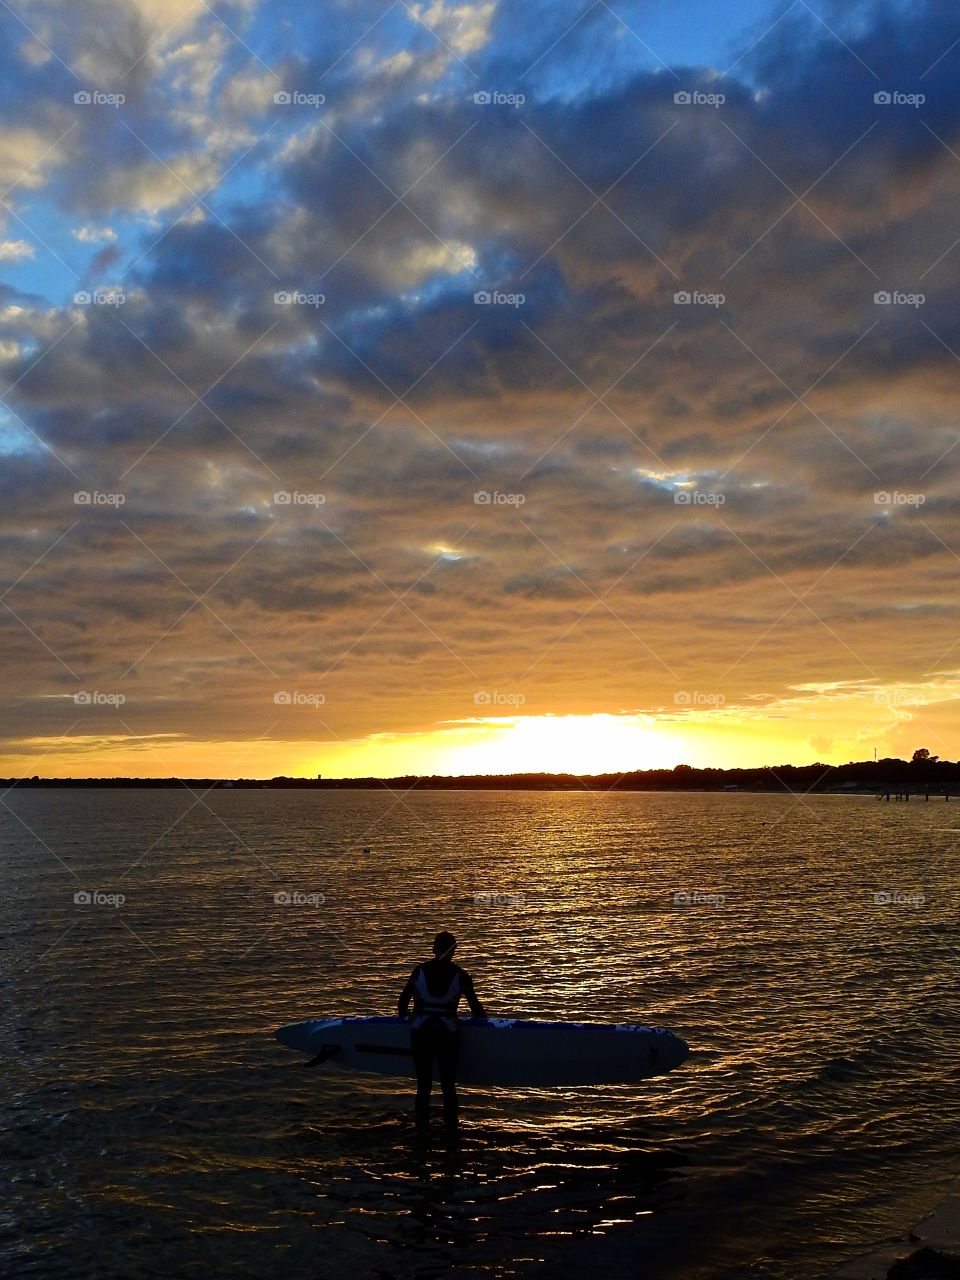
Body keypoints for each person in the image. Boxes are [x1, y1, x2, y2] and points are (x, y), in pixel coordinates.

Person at [397, 931, 486, 1129]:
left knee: (423, 1086)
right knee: (448, 1086)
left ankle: (421, 1132)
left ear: (433, 949)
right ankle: (451, 1134)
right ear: (454, 951)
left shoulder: (418, 971)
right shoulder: (462, 976)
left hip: (421, 1032)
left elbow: (402, 1004)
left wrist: (405, 1018)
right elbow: (477, 1011)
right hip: (447, 1034)